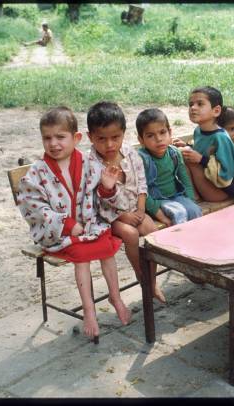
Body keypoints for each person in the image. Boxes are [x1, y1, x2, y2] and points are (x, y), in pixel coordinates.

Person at [17, 106, 131, 340]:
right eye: (47, 138)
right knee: (82, 256)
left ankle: (115, 296)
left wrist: (106, 187)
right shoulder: (38, 172)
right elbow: (32, 205)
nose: (54, 143)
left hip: (89, 226)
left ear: (76, 138)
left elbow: (101, 198)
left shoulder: (89, 163)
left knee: (107, 248)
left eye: (60, 137)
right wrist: (67, 224)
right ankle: (89, 310)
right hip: (59, 233)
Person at [86, 101, 165, 304]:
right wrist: (123, 216)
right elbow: (96, 201)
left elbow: (141, 184)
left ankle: (151, 280)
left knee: (152, 232)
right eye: (101, 139)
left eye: (115, 137)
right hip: (109, 216)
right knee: (130, 234)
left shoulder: (131, 154)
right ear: (90, 137)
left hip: (134, 209)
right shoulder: (92, 165)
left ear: (123, 133)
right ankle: (141, 277)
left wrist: (140, 209)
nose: (109, 144)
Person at [181, 86, 234, 203]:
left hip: (220, 191)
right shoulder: (198, 130)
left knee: (188, 161)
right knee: (183, 153)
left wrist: (201, 159)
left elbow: (227, 171)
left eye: (200, 104)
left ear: (216, 111)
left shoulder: (220, 137)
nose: (193, 108)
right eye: (191, 104)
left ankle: (194, 198)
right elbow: (202, 150)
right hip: (207, 182)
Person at [135, 108, 202, 226]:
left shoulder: (174, 153)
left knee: (195, 211)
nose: (159, 139)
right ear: (141, 140)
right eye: (150, 135)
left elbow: (184, 179)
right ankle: (176, 243)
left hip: (175, 196)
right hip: (155, 201)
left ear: (170, 133)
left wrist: (190, 200)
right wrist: (156, 210)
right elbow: (141, 190)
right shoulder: (141, 159)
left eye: (162, 132)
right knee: (178, 213)